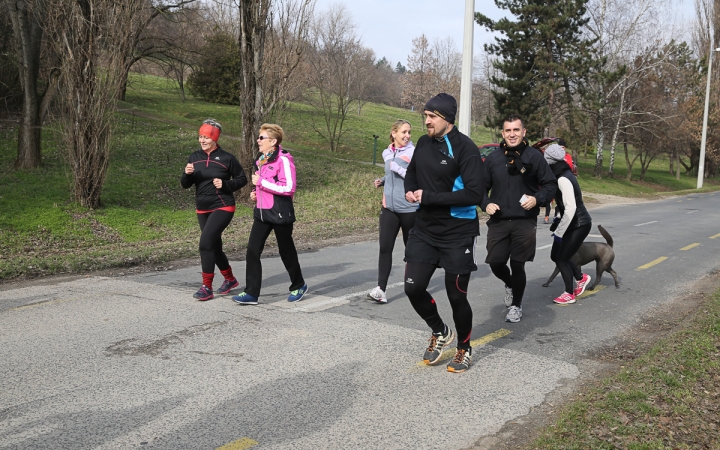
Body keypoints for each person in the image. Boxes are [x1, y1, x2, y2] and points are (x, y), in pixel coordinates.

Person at [403, 93, 485, 373]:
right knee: (413, 287)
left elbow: (474, 193)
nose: (426, 121)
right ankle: (440, 332)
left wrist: (429, 197)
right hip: (425, 228)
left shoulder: (466, 149)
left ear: (447, 119)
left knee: (456, 294)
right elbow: (412, 172)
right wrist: (410, 190)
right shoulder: (424, 143)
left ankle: (464, 348)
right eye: (425, 115)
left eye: (431, 116)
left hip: (457, 232)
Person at [481, 115, 557, 323]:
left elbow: (550, 185)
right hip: (498, 219)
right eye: (508, 131)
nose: (512, 134)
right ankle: (510, 284)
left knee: (518, 264)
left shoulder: (534, 157)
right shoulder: (494, 158)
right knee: (496, 262)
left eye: (516, 130)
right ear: (502, 133)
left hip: (524, 220)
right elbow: (480, 189)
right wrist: (485, 203)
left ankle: (516, 305)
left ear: (524, 132)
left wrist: (537, 199)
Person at [232, 124, 308, 305]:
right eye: (259, 137)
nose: (258, 141)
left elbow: (289, 188)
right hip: (262, 212)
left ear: (273, 141)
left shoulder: (283, 160)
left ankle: (299, 284)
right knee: (252, 250)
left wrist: (262, 183)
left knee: (286, 252)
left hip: (280, 213)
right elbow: (263, 184)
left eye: (261, 138)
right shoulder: (261, 160)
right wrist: (255, 192)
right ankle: (251, 293)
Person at [181, 119, 247, 301]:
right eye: (200, 137)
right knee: (214, 247)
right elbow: (185, 185)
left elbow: (242, 179)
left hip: (223, 205)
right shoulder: (194, 157)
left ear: (215, 138)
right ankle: (230, 279)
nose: (202, 140)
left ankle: (206, 287)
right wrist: (186, 175)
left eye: (206, 137)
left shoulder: (227, 158)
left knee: (205, 244)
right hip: (202, 208)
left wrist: (226, 184)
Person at [368, 119, 418, 304]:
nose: (407, 136)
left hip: (409, 208)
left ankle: (414, 284)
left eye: (409, 132)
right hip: (389, 207)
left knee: (411, 249)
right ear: (394, 133)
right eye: (404, 132)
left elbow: (417, 176)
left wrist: (395, 168)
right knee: (385, 247)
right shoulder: (387, 152)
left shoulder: (414, 152)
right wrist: (382, 180)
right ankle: (381, 289)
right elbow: (391, 173)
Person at [544, 144, 592, 304]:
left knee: (561, 259)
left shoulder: (563, 178)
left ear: (551, 162)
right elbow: (563, 205)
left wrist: (559, 232)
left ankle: (569, 293)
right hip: (572, 223)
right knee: (555, 255)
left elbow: (571, 207)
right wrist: (558, 217)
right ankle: (581, 277)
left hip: (579, 224)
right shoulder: (562, 173)